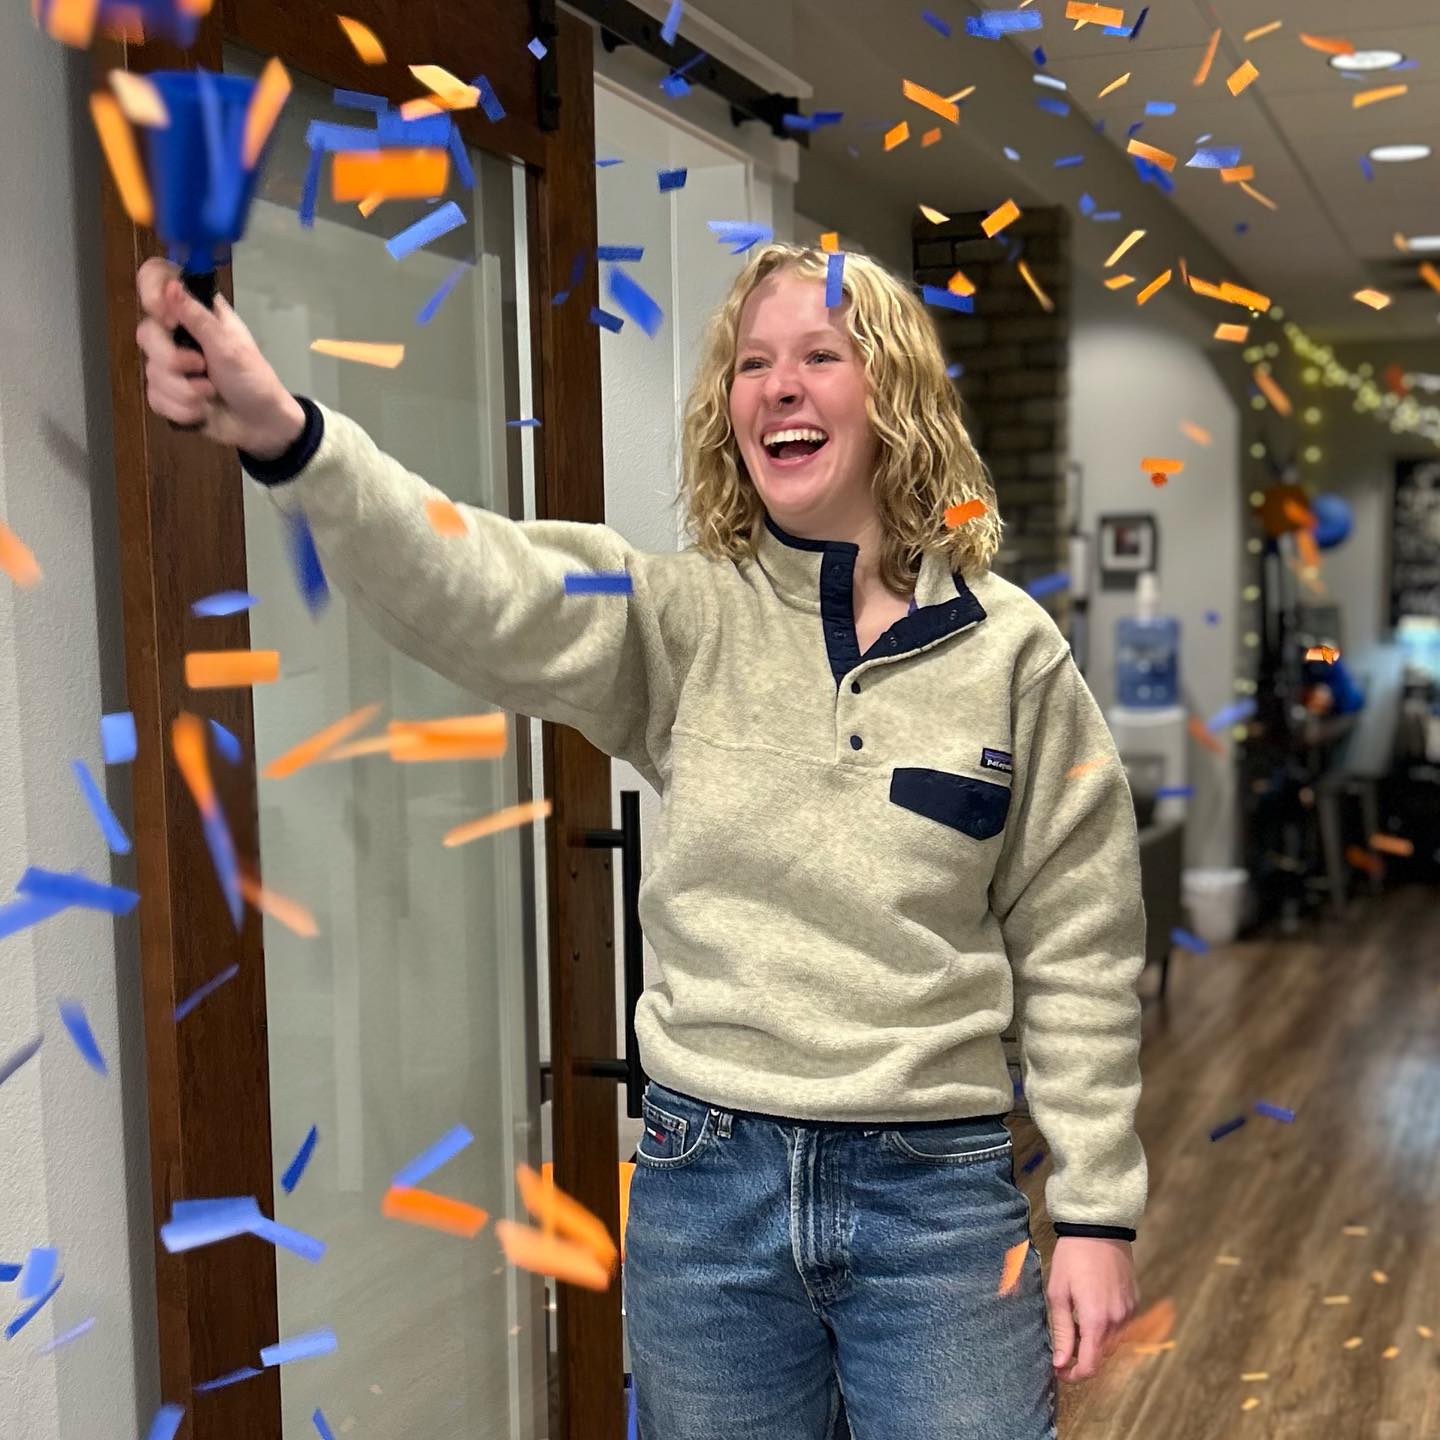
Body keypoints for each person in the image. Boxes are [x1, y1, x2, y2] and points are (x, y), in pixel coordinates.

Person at [135, 242, 1145, 1439]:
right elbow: (479, 578)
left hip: (938, 1199)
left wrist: (1095, 1211)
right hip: (704, 1180)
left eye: (821, 356)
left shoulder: (1013, 653)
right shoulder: (679, 614)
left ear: (894, 398)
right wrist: (290, 436)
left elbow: (1082, 938)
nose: (779, 385)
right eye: (752, 363)